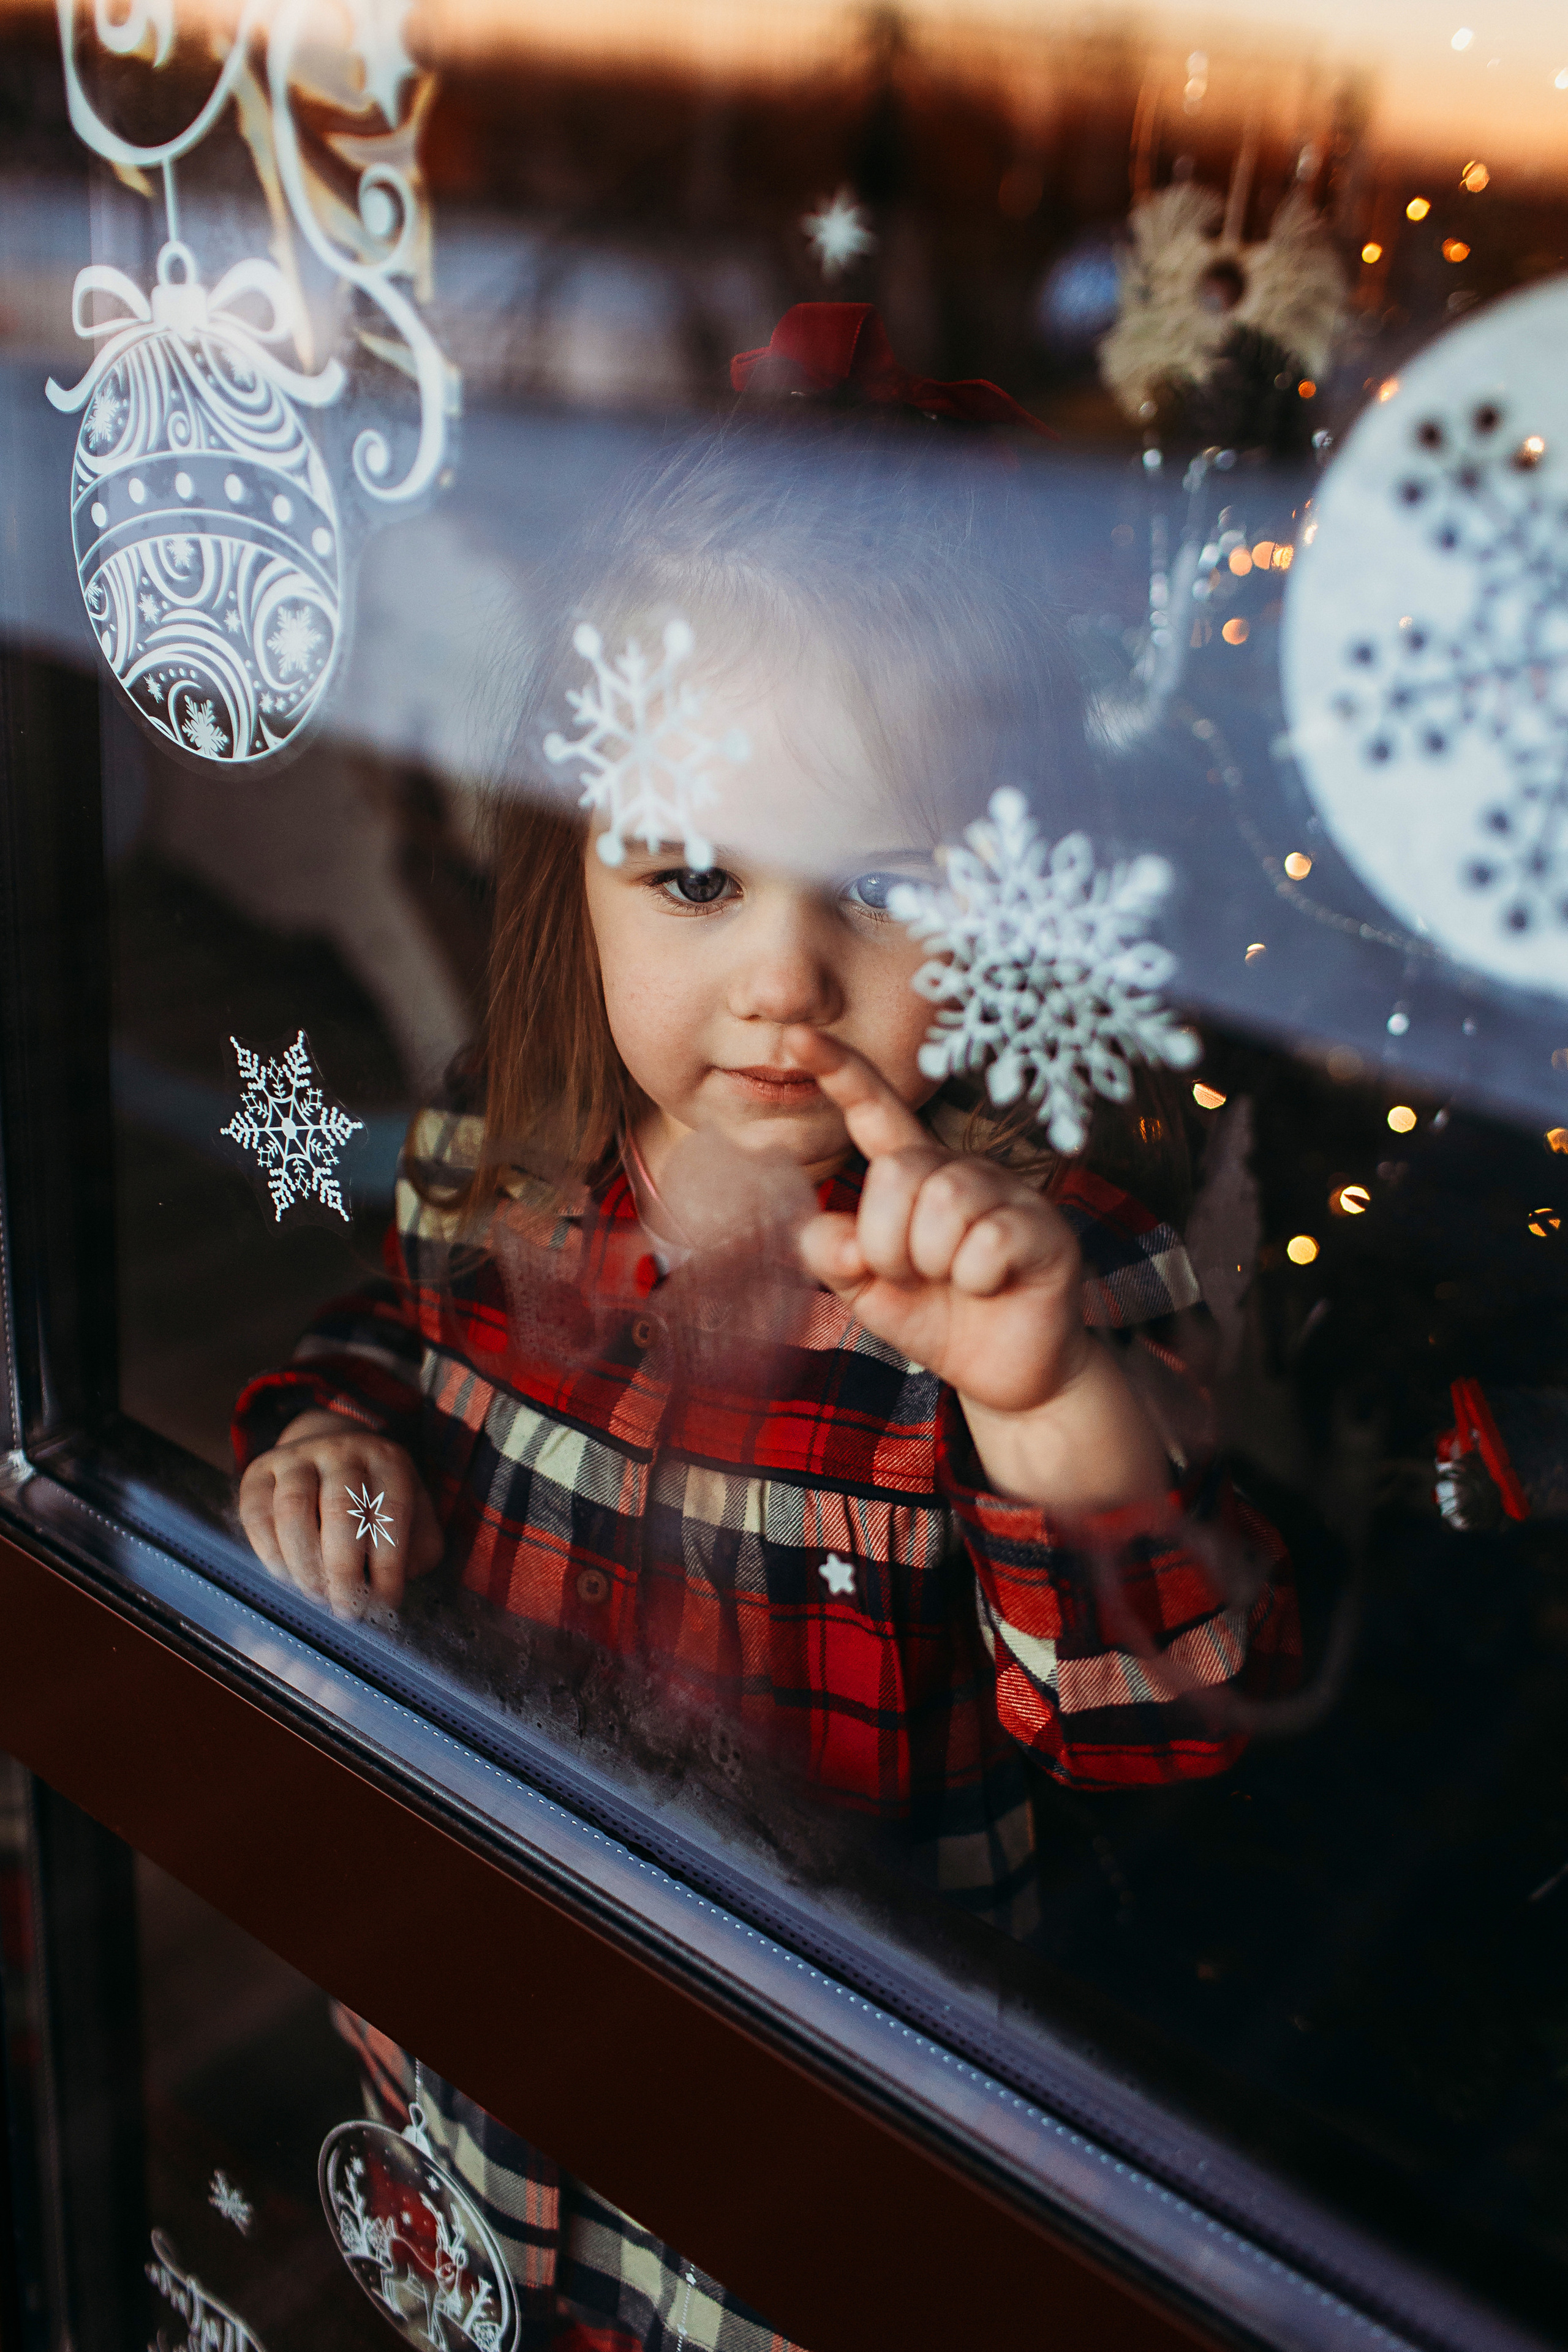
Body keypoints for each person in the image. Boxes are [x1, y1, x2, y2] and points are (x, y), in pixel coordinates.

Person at [233, 311, 1298, 2351]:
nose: (785, 980)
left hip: (805, 2163)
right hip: (497, 2053)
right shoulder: (504, 1160)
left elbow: (1161, 1721)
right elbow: (397, 1343)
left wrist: (1043, 1401)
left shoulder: (1032, 1275)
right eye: (698, 874)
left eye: (881, 883)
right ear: (577, 864)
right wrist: (330, 1434)